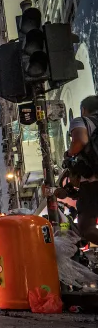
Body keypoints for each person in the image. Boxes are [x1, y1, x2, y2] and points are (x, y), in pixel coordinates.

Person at [64, 95, 98, 245]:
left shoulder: (82, 121)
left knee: (86, 227)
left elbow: (79, 141)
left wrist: (69, 154)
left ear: (84, 110)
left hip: (93, 183)